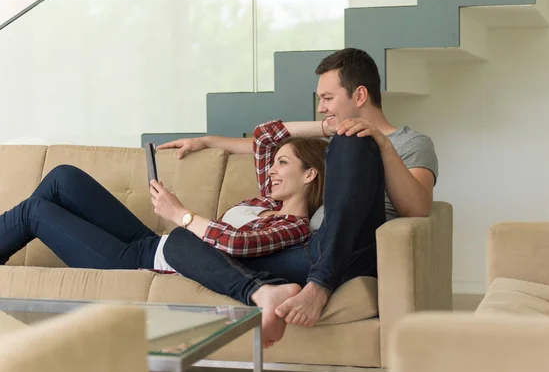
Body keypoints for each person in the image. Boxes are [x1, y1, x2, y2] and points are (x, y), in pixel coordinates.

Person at [157, 47, 439, 347]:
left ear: (359, 96)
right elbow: (265, 140)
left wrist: (381, 143)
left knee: (353, 140)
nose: (320, 108)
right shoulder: (333, 139)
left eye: (328, 99)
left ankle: (319, 287)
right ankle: (263, 293)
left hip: (357, 249)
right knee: (179, 241)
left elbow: (417, 208)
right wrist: (205, 141)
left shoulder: (412, 143)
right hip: (312, 248)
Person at [0, 121, 328, 347]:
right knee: (62, 178)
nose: (271, 169)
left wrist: (180, 214)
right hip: (150, 242)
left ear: (310, 174)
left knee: (34, 212)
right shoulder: (265, 200)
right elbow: (265, 135)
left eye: (282, 163)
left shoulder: (293, 226)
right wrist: (328, 126)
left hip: (139, 261)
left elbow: (235, 243)